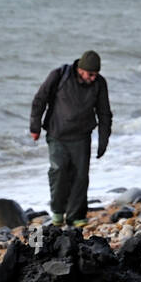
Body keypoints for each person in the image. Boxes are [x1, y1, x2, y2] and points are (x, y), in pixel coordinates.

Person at [29, 50, 112, 228]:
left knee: (81, 177)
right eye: (90, 74)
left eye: (96, 74)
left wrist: (103, 141)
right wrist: (35, 127)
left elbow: (104, 113)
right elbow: (40, 99)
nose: (93, 77)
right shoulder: (59, 75)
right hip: (57, 134)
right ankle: (58, 211)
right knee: (59, 172)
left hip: (82, 136)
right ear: (80, 69)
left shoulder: (99, 83)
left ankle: (76, 216)